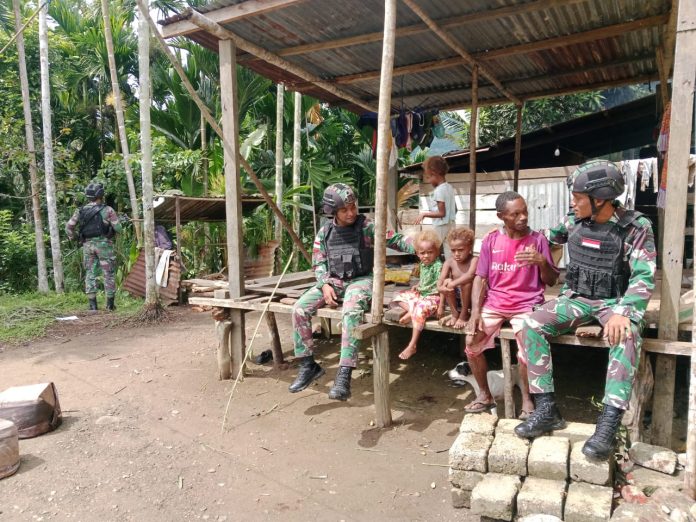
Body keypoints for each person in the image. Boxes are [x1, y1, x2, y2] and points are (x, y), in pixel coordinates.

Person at [514, 160, 656, 461]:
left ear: (600, 199)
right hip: (577, 298)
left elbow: (644, 276)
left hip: (614, 302)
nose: (572, 202)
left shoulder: (636, 227)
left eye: (578, 197)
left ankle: (608, 425)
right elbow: (544, 238)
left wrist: (624, 312)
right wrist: (528, 248)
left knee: (626, 335)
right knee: (531, 324)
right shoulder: (573, 221)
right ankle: (547, 409)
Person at [289, 183, 414, 400]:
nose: (351, 213)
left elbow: (396, 240)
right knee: (299, 309)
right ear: (332, 212)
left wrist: (422, 246)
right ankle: (308, 365)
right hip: (333, 281)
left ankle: (344, 373)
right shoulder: (325, 232)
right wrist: (324, 284)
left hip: (361, 280)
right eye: (344, 210)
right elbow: (318, 263)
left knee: (351, 310)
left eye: (353, 207)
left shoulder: (367, 226)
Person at [463, 191, 558, 416]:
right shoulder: (491, 240)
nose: (523, 217)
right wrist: (475, 313)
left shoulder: (538, 240)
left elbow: (552, 280)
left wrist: (542, 262)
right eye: (515, 214)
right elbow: (480, 278)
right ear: (501, 216)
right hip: (495, 304)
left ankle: (527, 400)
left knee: (526, 349)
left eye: (524, 212)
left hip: (526, 304)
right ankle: (485, 395)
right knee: (471, 342)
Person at [66, 182, 122, 311]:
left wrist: (75, 238)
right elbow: (118, 228)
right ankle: (110, 305)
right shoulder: (108, 210)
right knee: (108, 273)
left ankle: (92, 306)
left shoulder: (80, 211)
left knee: (90, 273)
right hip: (104, 246)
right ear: (101, 195)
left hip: (87, 246)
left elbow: (69, 227)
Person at [388, 229, 443, 360]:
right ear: (417, 253)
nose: (426, 256)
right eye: (422, 253)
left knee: (420, 310)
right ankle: (412, 311)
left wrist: (441, 307)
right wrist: (418, 285)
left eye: (430, 252)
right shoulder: (423, 265)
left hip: (434, 298)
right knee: (397, 297)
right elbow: (425, 280)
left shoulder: (438, 266)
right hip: (421, 295)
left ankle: (412, 345)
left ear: (437, 252)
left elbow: (442, 287)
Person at [414, 155, 456, 258]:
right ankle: (450, 268)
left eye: (429, 177)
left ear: (434, 174)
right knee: (449, 253)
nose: (429, 181)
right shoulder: (449, 188)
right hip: (451, 223)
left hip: (441, 225)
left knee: (430, 248)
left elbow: (442, 213)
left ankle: (429, 266)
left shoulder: (439, 190)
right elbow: (455, 209)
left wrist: (424, 214)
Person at [437, 227, 477, 329]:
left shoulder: (474, 260)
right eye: (453, 250)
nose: (456, 254)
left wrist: (453, 283)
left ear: (470, 247)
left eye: (460, 250)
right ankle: (454, 313)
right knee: (447, 281)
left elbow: (470, 275)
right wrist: (440, 287)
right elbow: (441, 279)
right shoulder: (449, 262)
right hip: (455, 298)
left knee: (466, 282)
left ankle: (464, 314)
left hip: (471, 299)